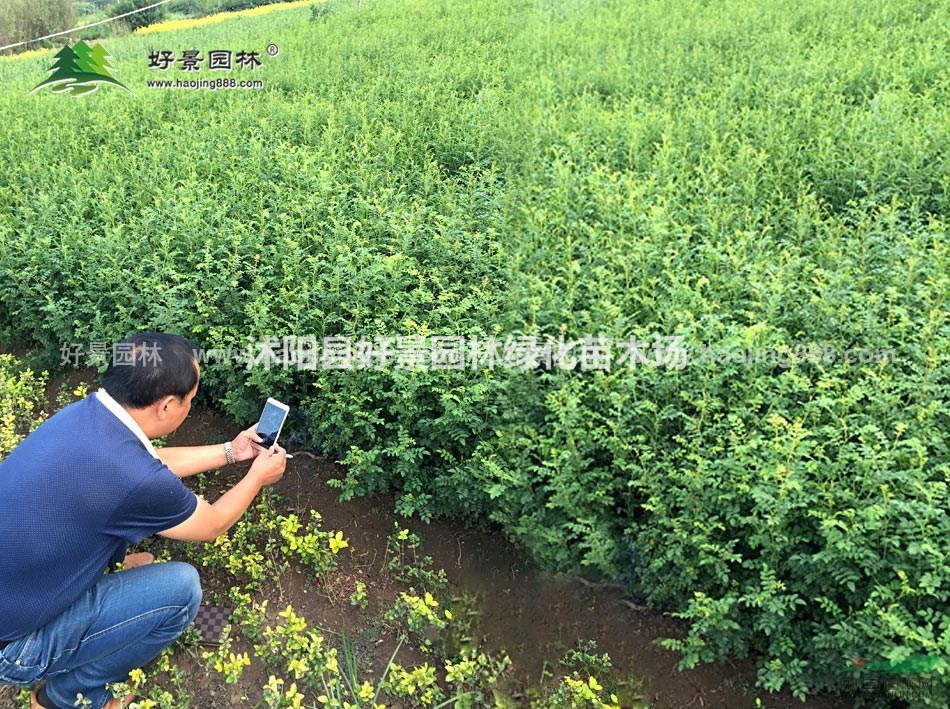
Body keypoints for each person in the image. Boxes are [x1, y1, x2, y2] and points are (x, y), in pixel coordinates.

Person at [0, 332, 287, 709]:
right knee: (181, 590)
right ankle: (67, 696)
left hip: (15, 593)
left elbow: (148, 463)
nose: (190, 408)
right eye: (191, 401)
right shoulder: (132, 476)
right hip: (16, 647)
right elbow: (212, 524)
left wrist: (231, 452)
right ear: (168, 406)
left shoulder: (85, 415)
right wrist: (256, 478)